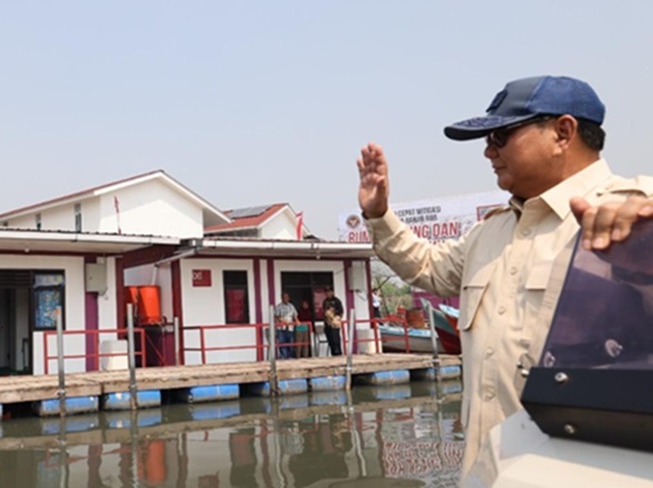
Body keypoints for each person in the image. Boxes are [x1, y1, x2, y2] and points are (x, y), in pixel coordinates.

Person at [356, 75, 653, 481]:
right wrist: (379, 214)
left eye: (500, 135)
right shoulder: (491, 232)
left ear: (563, 132)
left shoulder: (633, 214)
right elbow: (427, 266)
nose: (488, 152)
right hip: (486, 472)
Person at [274, 292, 298, 359]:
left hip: (290, 327)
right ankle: (283, 358)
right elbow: (276, 316)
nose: (286, 298)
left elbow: (295, 315)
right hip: (281, 328)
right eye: (284, 297)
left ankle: (290, 357)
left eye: (287, 297)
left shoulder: (291, 306)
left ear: (289, 298)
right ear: (282, 298)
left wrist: (297, 321)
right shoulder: (278, 306)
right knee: (282, 343)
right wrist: (283, 321)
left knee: (291, 343)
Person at [322, 287, 344, 356]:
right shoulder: (325, 301)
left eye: (329, 292)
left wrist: (334, 314)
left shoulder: (337, 301)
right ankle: (333, 353)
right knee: (330, 339)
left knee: (336, 339)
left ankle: (338, 353)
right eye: (326, 292)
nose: (327, 294)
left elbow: (341, 311)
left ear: (332, 292)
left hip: (334, 322)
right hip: (327, 323)